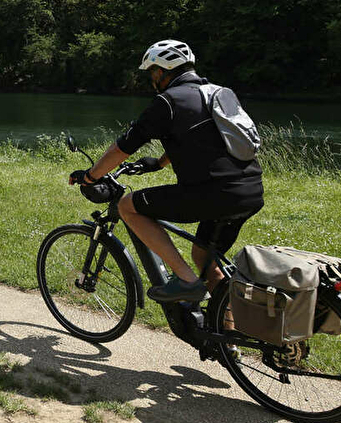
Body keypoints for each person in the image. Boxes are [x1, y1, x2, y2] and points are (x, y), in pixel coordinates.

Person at [69, 40, 263, 303]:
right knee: (205, 259)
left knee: (127, 206)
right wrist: (159, 163)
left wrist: (90, 176)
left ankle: (186, 281)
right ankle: (226, 341)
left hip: (212, 193)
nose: (152, 79)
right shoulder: (217, 92)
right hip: (250, 190)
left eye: (151, 72)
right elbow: (204, 138)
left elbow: (122, 148)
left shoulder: (168, 101)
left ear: (161, 71)